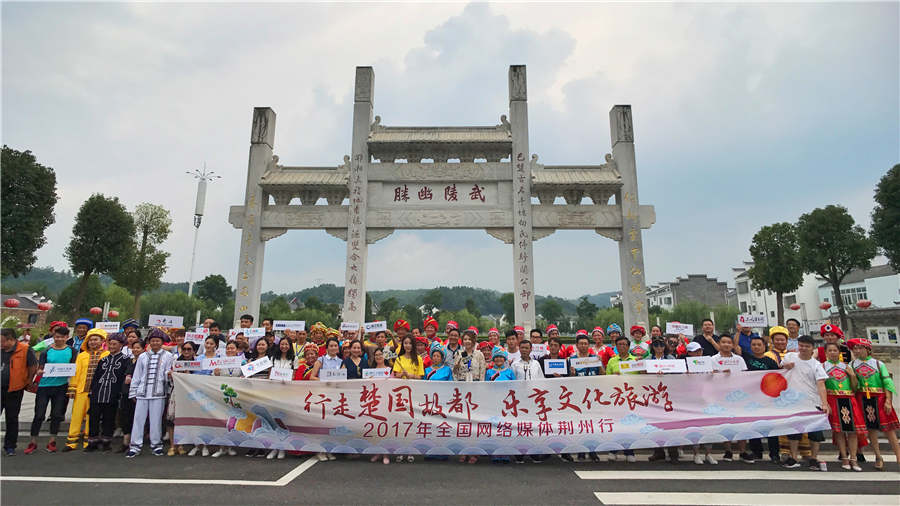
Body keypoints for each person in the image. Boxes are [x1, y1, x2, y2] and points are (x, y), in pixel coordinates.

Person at [848, 338, 900, 470]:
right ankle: (878, 456)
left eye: (860, 348)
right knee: (871, 430)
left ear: (868, 349)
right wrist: (853, 377)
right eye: (855, 348)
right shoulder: (852, 365)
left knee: (889, 430)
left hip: (879, 398)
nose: (857, 351)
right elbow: (853, 386)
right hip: (862, 398)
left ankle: (899, 456)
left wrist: (888, 400)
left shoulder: (878, 364)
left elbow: (887, 383)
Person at [780, 335, 829, 471]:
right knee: (794, 432)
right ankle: (793, 457)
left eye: (807, 346)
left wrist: (824, 403)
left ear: (812, 348)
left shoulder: (816, 365)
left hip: (813, 402)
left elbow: (821, 385)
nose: (803, 348)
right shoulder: (790, 357)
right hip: (794, 402)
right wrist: (785, 366)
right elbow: (778, 371)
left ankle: (813, 458)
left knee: (815, 433)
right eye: (801, 345)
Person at [25, 326, 74, 455]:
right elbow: (40, 366)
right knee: (39, 415)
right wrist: (40, 371)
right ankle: (33, 441)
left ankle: (52, 441)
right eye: (56, 337)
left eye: (62, 337)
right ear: (53, 337)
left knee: (57, 415)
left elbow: (74, 367)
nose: (59, 339)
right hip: (44, 386)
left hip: (61, 386)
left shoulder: (72, 351)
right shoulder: (47, 351)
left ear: (66, 338)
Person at [126, 329, 175, 458]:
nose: (155, 343)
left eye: (157, 341)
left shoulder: (168, 356)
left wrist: (167, 375)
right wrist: (133, 392)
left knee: (156, 421)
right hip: (142, 392)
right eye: (152, 341)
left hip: (158, 393)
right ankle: (135, 446)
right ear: (149, 342)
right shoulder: (142, 356)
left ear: (162, 342)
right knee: (138, 420)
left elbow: (167, 373)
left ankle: (156, 445)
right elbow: (137, 376)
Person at [822, 342, 865, 472]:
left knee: (852, 431)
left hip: (848, 399)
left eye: (835, 350)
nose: (833, 353)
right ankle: (844, 457)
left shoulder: (847, 366)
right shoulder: (822, 367)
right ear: (826, 353)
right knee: (839, 431)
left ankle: (853, 458)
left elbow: (855, 387)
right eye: (830, 350)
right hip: (833, 399)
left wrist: (852, 375)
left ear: (839, 352)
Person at [710, 334, 752, 463]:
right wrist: (721, 374)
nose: (726, 345)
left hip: (738, 395)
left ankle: (743, 451)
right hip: (721, 395)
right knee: (725, 424)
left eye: (729, 342)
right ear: (719, 344)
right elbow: (709, 377)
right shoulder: (712, 359)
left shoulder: (739, 359)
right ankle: (728, 451)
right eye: (724, 342)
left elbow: (745, 376)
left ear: (733, 345)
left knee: (741, 424)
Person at [65, 328, 108, 451]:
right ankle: (71, 442)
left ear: (102, 341)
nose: (93, 342)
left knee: (92, 418)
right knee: (76, 416)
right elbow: (76, 373)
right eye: (90, 340)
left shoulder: (106, 355)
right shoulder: (82, 355)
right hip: (81, 390)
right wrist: (72, 388)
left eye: (96, 340)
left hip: (96, 391)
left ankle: (88, 441)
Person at [86, 333, 130, 452]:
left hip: (113, 393)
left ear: (121, 345)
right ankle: (92, 442)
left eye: (114, 344)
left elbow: (124, 378)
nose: (111, 346)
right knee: (94, 418)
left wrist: (121, 393)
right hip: (98, 393)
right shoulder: (103, 360)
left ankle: (106, 442)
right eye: (110, 344)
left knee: (109, 419)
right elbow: (96, 377)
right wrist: (92, 390)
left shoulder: (126, 360)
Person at [742, 336, 782, 463]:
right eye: (753, 344)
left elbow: (778, 377)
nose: (756, 347)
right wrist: (738, 331)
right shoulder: (747, 358)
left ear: (765, 346)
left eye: (759, 344)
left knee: (771, 427)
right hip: (751, 398)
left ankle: (774, 454)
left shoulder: (770, 361)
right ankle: (756, 452)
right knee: (754, 425)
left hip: (768, 398)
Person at [2, 328, 37, 455]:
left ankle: (10, 446)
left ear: (11, 339)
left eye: (2, 342)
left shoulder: (25, 349)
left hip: (14, 390)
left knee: (11, 419)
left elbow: (33, 366)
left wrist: (28, 381)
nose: (1, 345)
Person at [605, 334, 637, 462]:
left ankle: (629, 451)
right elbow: (606, 379)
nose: (622, 346)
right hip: (616, 397)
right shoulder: (612, 361)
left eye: (624, 344)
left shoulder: (635, 361)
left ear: (629, 346)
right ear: (616, 347)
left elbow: (642, 378)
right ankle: (613, 450)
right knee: (616, 425)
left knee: (630, 425)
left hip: (631, 397)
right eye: (619, 345)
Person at [684, 341, 717, 465]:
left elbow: (716, 377)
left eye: (700, 351)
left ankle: (708, 454)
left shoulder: (708, 363)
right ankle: (696, 454)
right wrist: (685, 375)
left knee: (709, 428)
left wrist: (716, 374)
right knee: (695, 428)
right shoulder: (684, 365)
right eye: (695, 351)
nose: (699, 353)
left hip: (708, 401)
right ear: (689, 353)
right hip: (693, 402)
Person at [170, 341, 198, 456]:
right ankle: (172, 446)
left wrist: (188, 374)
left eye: (189, 349)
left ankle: (181, 444)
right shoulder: (176, 363)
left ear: (193, 351)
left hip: (190, 394)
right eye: (184, 349)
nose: (186, 351)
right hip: (176, 392)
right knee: (171, 418)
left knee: (184, 419)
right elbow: (170, 379)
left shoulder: (197, 364)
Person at [118, 340, 143, 453]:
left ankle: (134, 442)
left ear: (143, 349)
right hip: (125, 392)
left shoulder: (144, 361)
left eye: (138, 348)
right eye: (134, 348)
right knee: (125, 417)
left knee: (135, 418)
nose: (136, 350)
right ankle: (125, 441)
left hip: (137, 393)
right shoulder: (128, 360)